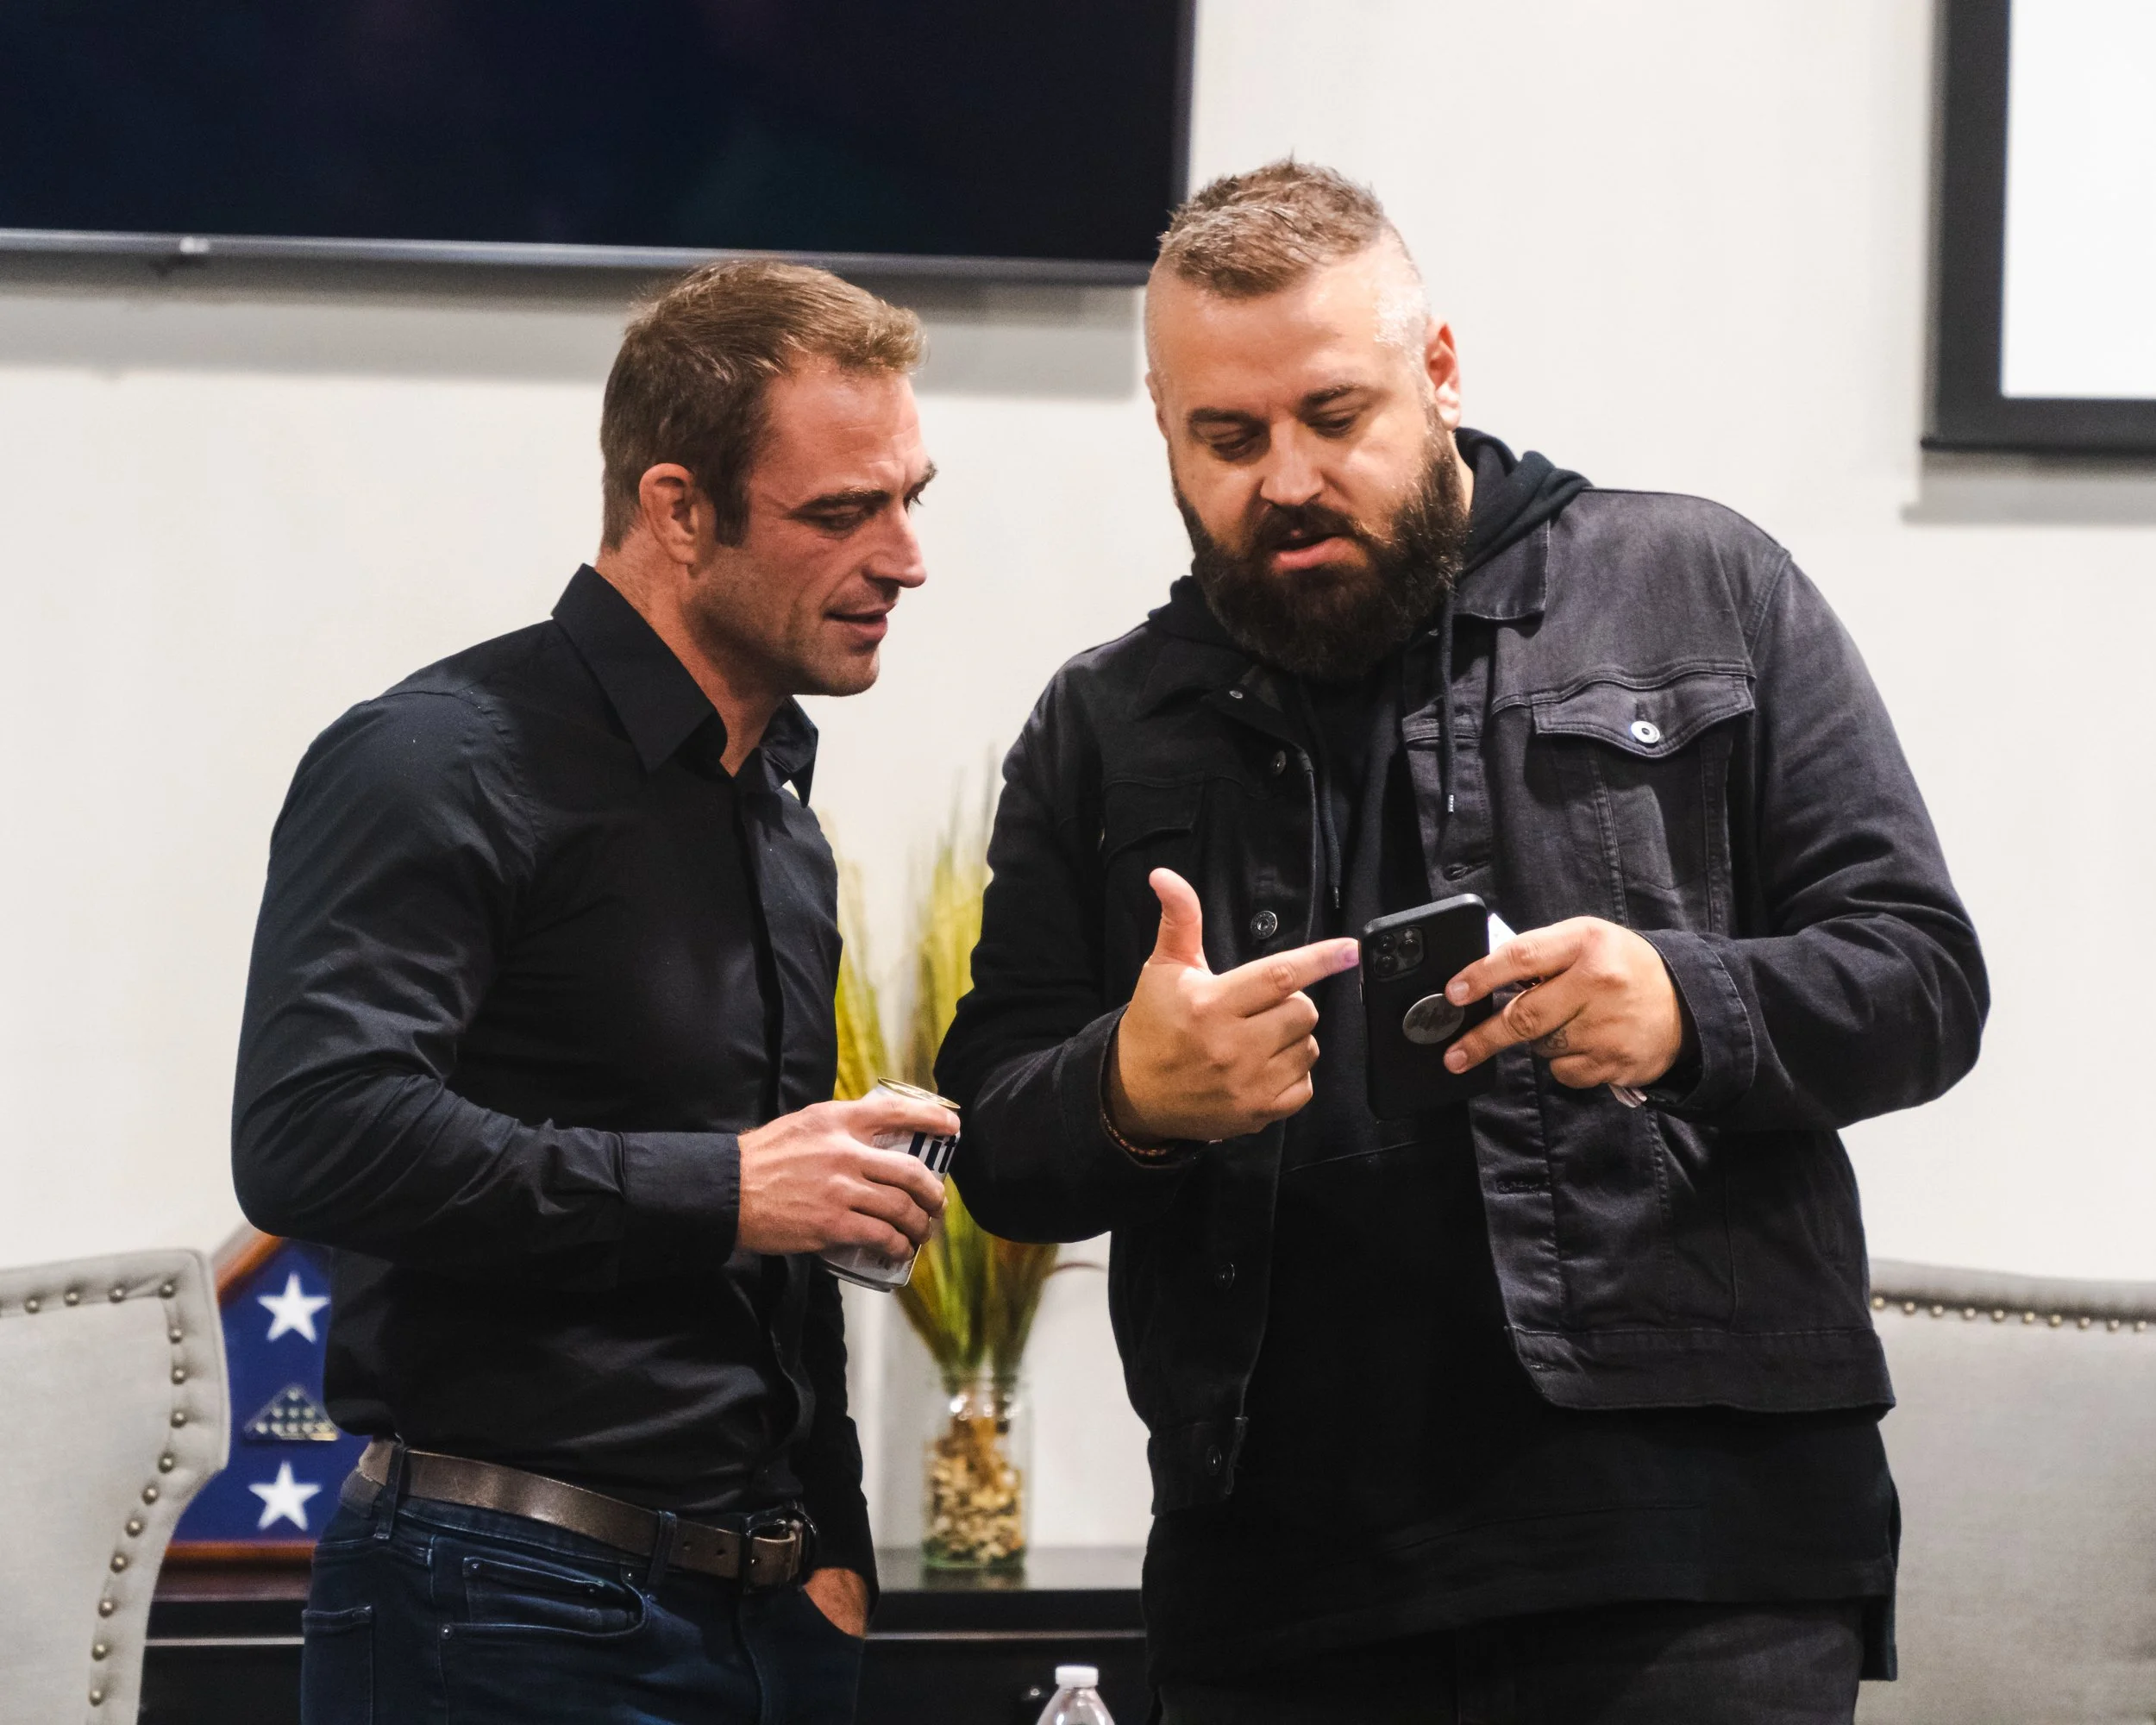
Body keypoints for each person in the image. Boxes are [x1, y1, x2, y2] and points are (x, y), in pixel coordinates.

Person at [937, 163, 1987, 1723]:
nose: (1288, 478)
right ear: (1163, 426)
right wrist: (1132, 1095)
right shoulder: (1106, 722)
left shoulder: (1699, 584)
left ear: (1437, 371)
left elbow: (1923, 979)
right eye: (1228, 439)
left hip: (1692, 1552)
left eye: (1333, 416)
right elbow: (992, 1133)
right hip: (1277, 1585)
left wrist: (1683, 1004)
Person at [233, 260, 954, 1725]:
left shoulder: (777, 820)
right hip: (496, 1604)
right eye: (841, 513)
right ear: (677, 508)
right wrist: (724, 1189)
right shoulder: (437, 758)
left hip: (763, 1609)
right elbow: (314, 1134)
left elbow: (777, 1247)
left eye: (910, 499)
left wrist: (834, 1546)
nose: (905, 559)